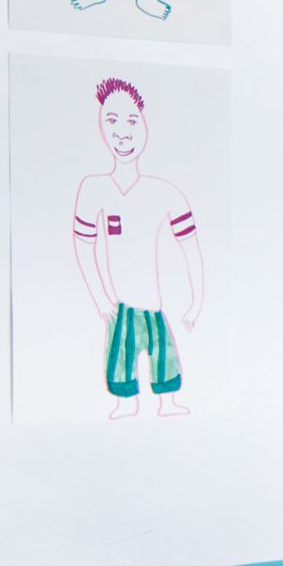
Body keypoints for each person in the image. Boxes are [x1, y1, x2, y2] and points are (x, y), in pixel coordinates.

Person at [71, 75, 202, 399]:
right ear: (102, 127)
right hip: (121, 310)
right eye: (112, 120)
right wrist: (101, 299)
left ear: (144, 125)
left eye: (131, 120)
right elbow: (82, 245)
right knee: (122, 390)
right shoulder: (93, 189)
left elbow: (191, 250)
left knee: (167, 386)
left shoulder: (166, 193)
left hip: (155, 309)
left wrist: (196, 301)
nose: (122, 132)